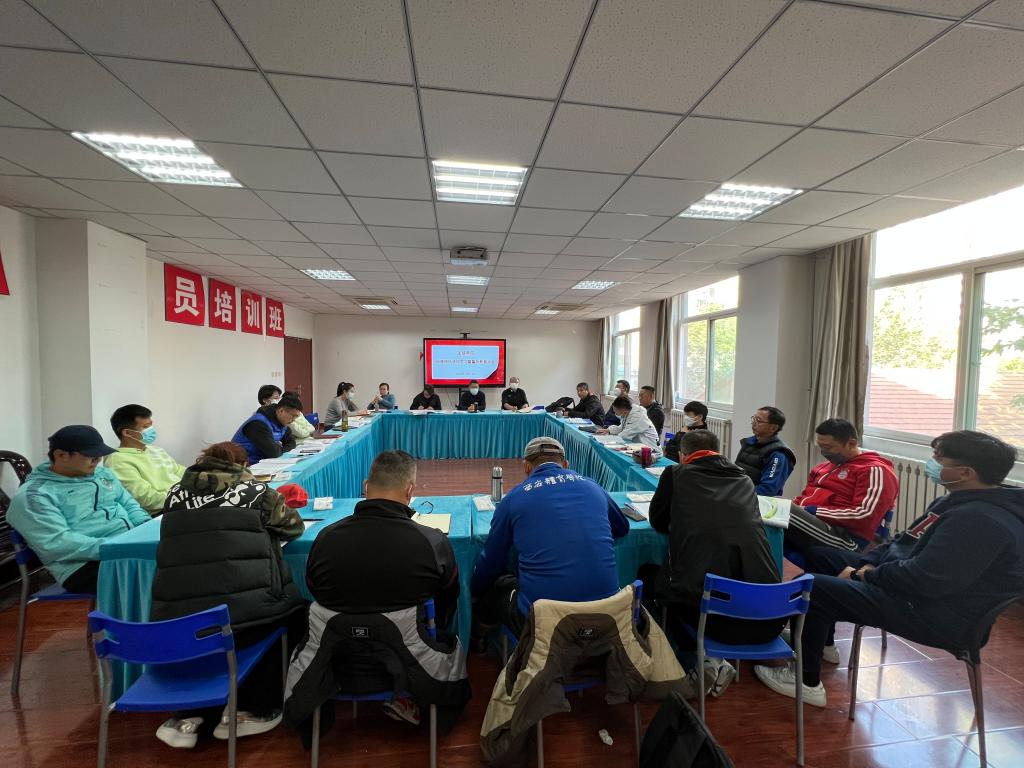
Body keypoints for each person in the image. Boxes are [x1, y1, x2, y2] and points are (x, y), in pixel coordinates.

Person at [755, 430, 1024, 709]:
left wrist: (864, 575)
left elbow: (925, 580)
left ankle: (805, 682)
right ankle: (822, 642)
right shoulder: (956, 500)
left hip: (937, 613)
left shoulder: (981, 522)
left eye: (939, 459)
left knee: (817, 587)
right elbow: (902, 540)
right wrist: (870, 562)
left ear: (966, 472)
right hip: (910, 585)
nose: (932, 464)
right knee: (821, 557)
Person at [151, 441, 307, 748]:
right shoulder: (257, 493)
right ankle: (252, 708)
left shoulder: (174, 494)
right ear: (244, 465)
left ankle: (189, 715)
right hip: (249, 615)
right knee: (290, 618)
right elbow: (293, 528)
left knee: (205, 634)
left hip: (181, 620)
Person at [304, 450, 459, 724]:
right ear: (410, 491)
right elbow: (449, 594)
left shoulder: (325, 539)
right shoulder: (431, 541)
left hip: (338, 660)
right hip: (411, 658)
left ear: (366, 487)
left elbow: (314, 591)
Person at [645, 430, 783, 696]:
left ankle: (700, 660)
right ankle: (714, 661)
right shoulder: (744, 478)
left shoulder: (675, 474)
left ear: (683, 456)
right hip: (768, 615)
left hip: (713, 620)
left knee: (651, 583)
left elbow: (658, 521)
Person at [471, 437, 629, 638]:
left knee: (496, 586)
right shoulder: (593, 487)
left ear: (526, 466)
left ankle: (478, 641)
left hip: (544, 623)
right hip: (608, 615)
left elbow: (492, 560)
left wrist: (474, 590)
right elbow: (622, 528)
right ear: (566, 464)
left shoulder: (513, 499)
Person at [7, 425, 150, 593]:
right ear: (60, 455)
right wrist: (118, 547)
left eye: (100, 455)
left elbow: (129, 504)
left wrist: (147, 528)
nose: (98, 460)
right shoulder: (34, 496)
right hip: (83, 565)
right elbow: (59, 544)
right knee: (164, 576)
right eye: (91, 456)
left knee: (175, 558)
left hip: (126, 546)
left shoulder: (102, 474)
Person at [785, 418, 900, 556]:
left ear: (851, 443)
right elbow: (804, 497)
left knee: (785, 511)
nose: (823, 452)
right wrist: (794, 507)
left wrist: (811, 510)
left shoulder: (875, 471)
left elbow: (863, 515)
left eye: (828, 448)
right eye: (821, 447)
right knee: (770, 506)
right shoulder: (822, 468)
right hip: (816, 525)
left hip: (847, 539)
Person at [105, 404, 186, 515]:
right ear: (127, 433)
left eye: (151, 425)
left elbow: (181, 472)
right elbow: (145, 499)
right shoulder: (118, 461)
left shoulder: (156, 450)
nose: (151, 430)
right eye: (146, 427)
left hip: (187, 500)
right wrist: (184, 498)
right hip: (165, 510)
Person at [735, 406, 796, 497]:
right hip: (739, 494)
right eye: (754, 418)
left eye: (758, 420)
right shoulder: (749, 443)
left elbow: (767, 490)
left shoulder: (779, 454)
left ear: (773, 428)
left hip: (756, 501)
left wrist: (736, 494)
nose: (753, 423)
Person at [231, 392, 303, 463]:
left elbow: (292, 442)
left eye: (296, 417)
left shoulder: (282, 422)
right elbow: (273, 453)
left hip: (261, 462)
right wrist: (280, 449)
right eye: (293, 416)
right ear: (281, 411)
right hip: (244, 463)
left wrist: (280, 449)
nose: (294, 420)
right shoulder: (258, 424)